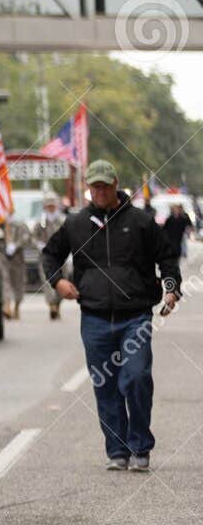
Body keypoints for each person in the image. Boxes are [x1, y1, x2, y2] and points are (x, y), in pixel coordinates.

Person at [41, 160, 180, 472]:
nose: (100, 191)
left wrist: (172, 289)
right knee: (106, 385)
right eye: (95, 186)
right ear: (89, 187)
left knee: (136, 377)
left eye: (105, 185)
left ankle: (140, 446)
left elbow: (167, 257)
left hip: (136, 317)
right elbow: (49, 254)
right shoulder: (76, 224)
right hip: (95, 317)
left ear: (116, 184)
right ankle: (117, 450)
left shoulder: (141, 222)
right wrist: (58, 281)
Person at [34, 193, 68, 320]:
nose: (51, 208)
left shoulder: (62, 221)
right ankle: (51, 305)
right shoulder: (41, 223)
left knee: (60, 281)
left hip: (60, 257)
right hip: (45, 257)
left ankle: (57, 305)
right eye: (48, 206)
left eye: (53, 206)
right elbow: (33, 237)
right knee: (47, 281)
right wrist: (38, 244)